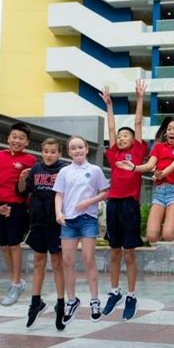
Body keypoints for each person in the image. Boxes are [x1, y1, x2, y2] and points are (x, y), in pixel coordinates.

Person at [99, 81, 148, 321]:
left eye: (125, 135)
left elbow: (138, 123)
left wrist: (140, 99)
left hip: (130, 205)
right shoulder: (113, 153)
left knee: (129, 253)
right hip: (113, 205)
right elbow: (110, 128)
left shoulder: (138, 151)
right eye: (119, 135)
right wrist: (108, 105)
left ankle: (131, 294)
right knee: (114, 252)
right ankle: (114, 291)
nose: (121, 137)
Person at [53, 136, 109, 324]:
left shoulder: (94, 170)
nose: (77, 150)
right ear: (68, 152)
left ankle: (94, 300)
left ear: (86, 149)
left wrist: (89, 202)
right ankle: (72, 300)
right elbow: (59, 195)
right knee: (67, 261)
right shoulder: (64, 172)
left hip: (87, 220)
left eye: (80, 147)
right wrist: (58, 213)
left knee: (88, 258)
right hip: (68, 221)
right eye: (73, 148)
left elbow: (105, 192)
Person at [0, 122, 37, 305]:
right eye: (14, 137)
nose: (17, 140)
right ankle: (16, 281)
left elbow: (29, 186)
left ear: (27, 142)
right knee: (4, 246)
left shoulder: (30, 160)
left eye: (21, 138)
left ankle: (15, 283)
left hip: (16, 206)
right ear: (8, 138)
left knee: (14, 246)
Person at [18, 138, 67, 330]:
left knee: (57, 263)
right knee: (39, 261)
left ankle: (61, 304)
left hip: (56, 223)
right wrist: (22, 178)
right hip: (37, 222)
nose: (49, 154)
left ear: (59, 153)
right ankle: (35, 302)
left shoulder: (64, 170)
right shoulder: (36, 169)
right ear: (41, 152)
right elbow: (22, 190)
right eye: (46, 151)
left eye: (53, 151)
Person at [117, 117, 174, 243]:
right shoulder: (158, 147)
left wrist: (162, 173)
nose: (171, 131)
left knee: (168, 235)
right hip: (159, 191)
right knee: (151, 237)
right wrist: (134, 167)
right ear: (166, 132)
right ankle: (171, 222)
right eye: (169, 129)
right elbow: (150, 165)